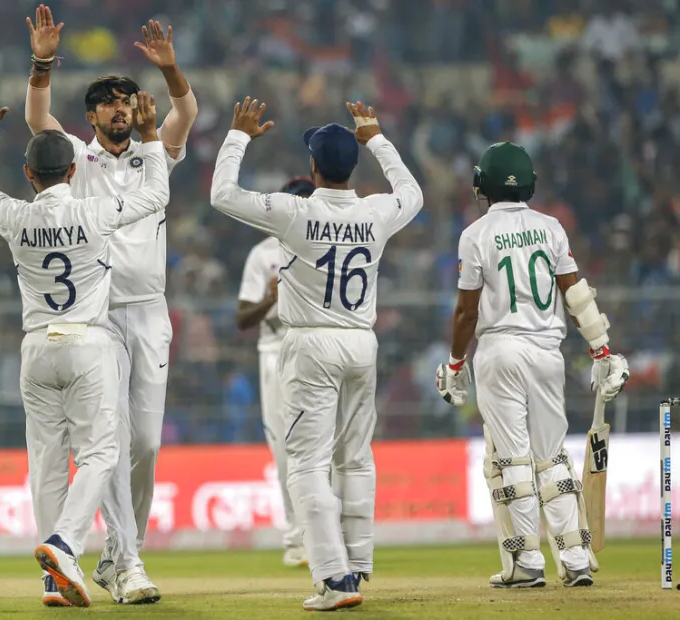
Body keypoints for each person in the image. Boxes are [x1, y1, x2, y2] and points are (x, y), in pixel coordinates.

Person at [210, 98, 423, 611]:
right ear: (352, 167)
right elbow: (413, 193)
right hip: (361, 342)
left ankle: (333, 577)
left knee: (305, 463)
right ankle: (359, 558)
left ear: (312, 167)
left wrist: (237, 137)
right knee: (355, 456)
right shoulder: (376, 211)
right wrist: (377, 138)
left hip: (309, 344)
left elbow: (222, 194)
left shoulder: (295, 212)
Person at [0, 85, 170, 607]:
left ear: (29, 175)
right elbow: (155, 197)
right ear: (74, 172)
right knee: (101, 452)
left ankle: (53, 579)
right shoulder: (95, 212)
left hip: (35, 348)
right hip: (88, 342)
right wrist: (150, 138)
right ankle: (65, 544)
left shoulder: (15, 215)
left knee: (46, 463)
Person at [24, 5, 198, 604]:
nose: (120, 108)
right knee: (115, 442)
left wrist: (170, 70)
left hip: (148, 311)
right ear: (92, 116)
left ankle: (119, 555)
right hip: (95, 317)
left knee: (145, 443)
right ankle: (128, 563)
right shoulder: (76, 159)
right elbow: (37, 118)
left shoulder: (156, 151)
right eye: (108, 102)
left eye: (126, 100)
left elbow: (186, 113)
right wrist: (43, 62)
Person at [434, 142, 629, 588]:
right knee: (551, 456)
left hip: (500, 351)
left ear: (482, 185)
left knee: (513, 459)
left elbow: (466, 312)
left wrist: (456, 363)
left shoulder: (475, 234)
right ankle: (575, 560)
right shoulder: (551, 227)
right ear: (529, 184)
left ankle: (526, 563)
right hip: (547, 352)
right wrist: (602, 350)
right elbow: (574, 292)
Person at [235, 176, 316, 569]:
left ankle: (328, 532)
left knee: (324, 445)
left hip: (316, 347)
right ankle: (296, 537)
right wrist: (270, 298)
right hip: (275, 351)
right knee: (284, 450)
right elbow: (242, 319)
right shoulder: (263, 253)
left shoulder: (326, 243)